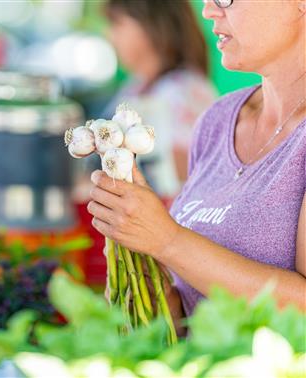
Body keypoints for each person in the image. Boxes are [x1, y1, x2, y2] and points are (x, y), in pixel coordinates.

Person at [87, 0, 306, 325]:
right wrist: (160, 299)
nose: (208, 11)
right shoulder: (216, 121)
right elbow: (197, 305)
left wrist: (168, 241)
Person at [103, 0, 217, 200]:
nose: (110, 36)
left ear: (151, 24)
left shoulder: (183, 90)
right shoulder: (135, 86)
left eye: (117, 24)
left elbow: (182, 174)